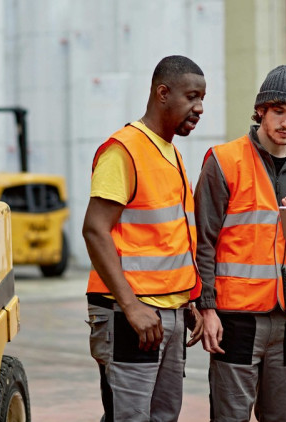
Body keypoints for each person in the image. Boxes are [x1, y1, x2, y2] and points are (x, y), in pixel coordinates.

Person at [194, 64, 286, 421]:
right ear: (261, 110)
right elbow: (203, 242)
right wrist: (206, 308)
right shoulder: (224, 161)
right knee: (230, 416)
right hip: (235, 317)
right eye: (279, 111)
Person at [81, 55, 206, 422]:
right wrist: (132, 306)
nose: (199, 108)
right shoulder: (125, 150)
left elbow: (168, 239)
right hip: (131, 314)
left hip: (169, 310)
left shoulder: (171, 153)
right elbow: (94, 229)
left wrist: (188, 299)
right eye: (192, 96)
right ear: (162, 93)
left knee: (163, 416)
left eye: (203, 99)